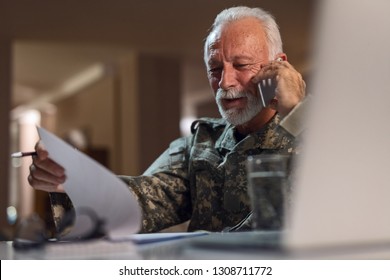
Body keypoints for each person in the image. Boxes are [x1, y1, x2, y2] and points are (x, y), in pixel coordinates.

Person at [28, 6, 307, 234]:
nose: (225, 82)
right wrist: (75, 177)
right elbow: (140, 202)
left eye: (242, 65)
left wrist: (296, 111)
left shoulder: (322, 136)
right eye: (215, 68)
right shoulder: (200, 144)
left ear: (279, 66)